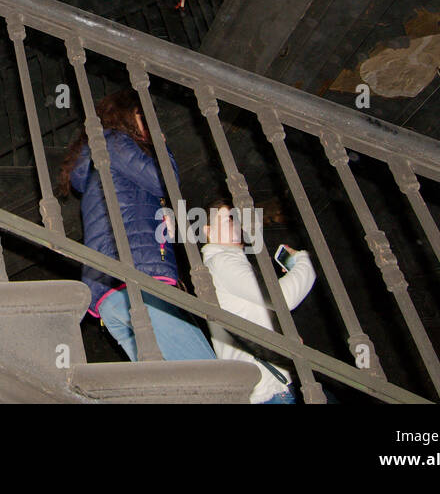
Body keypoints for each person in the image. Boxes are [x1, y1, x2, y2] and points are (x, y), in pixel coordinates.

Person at [56, 88, 215, 362]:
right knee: (207, 374)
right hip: (138, 281)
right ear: (130, 116)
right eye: (145, 118)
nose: (151, 126)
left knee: (170, 386)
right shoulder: (113, 141)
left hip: (110, 293)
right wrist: (161, 146)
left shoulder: (100, 166)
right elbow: (164, 181)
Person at [202, 200, 317, 403]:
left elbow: (254, 313)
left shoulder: (217, 266)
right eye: (228, 219)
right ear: (208, 230)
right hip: (270, 389)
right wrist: (303, 261)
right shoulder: (224, 260)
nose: (236, 224)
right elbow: (283, 299)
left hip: (261, 386)